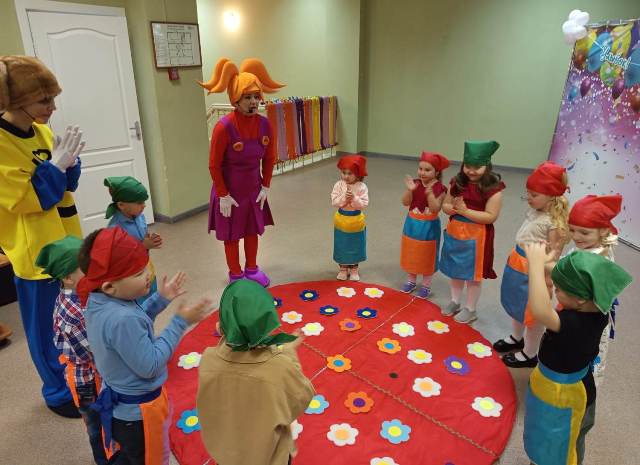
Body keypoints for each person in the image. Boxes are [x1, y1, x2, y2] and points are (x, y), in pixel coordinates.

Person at [79, 227, 211, 465]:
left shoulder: (100, 302)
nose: (148, 274)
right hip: (140, 416)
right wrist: (180, 322)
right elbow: (150, 365)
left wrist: (160, 299)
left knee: (132, 456)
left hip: (123, 410)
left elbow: (134, 327)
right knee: (152, 458)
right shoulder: (122, 318)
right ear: (109, 286)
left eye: (146, 267)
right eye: (139, 273)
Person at [0, 55, 85, 417]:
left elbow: (64, 187)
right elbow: (26, 199)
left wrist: (71, 165)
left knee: (72, 317)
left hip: (65, 242)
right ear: (16, 101)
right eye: (43, 101)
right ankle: (57, 392)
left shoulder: (42, 132)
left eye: (52, 98)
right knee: (45, 327)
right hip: (35, 254)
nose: (52, 107)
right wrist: (54, 167)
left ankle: (79, 378)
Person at [522, 244, 632, 465]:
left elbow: (540, 310)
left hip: (565, 394)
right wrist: (544, 262)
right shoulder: (599, 306)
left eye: (559, 290)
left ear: (580, 298)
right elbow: (566, 274)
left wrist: (534, 267)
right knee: (554, 436)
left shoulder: (573, 323)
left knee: (561, 440)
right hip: (574, 384)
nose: (555, 291)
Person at [197, 280, 315, 465]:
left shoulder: (208, 360)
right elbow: (301, 399)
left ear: (220, 326)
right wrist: (288, 352)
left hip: (226, 457)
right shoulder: (279, 368)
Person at [198, 57, 285, 287]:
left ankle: (252, 269)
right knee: (231, 234)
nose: (254, 102)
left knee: (251, 231)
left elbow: (269, 157)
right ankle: (235, 274)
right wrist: (223, 194)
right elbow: (214, 165)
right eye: (247, 97)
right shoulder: (223, 127)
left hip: (253, 189)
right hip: (230, 192)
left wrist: (266, 185)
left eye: (256, 96)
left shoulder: (265, 125)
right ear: (235, 99)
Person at [35, 236, 108, 464]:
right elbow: (92, 353)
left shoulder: (83, 294)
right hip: (86, 382)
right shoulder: (72, 313)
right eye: (87, 268)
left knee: (105, 419)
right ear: (68, 278)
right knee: (95, 424)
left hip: (94, 372)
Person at [494, 161, 569, 368]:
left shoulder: (554, 223)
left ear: (552, 196)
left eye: (534, 195)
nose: (529, 198)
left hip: (535, 271)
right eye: (528, 193)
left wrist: (544, 279)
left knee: (533, 314)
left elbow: (553, 256)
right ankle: (517, 337)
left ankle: (529, 353)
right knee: (517, 304)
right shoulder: (537, 210)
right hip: (518, 264)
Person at [439, 141, 505, 324]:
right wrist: (453, 209)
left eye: (477, 167)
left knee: (473, 276)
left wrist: (465, 211)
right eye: (468, 166)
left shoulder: (493, 189)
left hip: (477, 238)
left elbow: (490, 216)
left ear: (487, 166)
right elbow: (445, 205)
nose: (471, 171)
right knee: (455, 270)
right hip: (456, 234)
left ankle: (470, 309)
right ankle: (455, 301)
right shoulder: (457, 183)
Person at [565, 194, 622, 386]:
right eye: (572, 230)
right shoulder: (588, 247)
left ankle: (584, 391)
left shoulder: (597, 260)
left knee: (587, 356)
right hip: (577, 309)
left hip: (588, 316)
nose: (576, 237)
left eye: (584, 232)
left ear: (603, 231)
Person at [399, 151, 449, 298]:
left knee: (427, 255)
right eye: (420, 168)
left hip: (429, 226)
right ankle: (411, 280)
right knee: (412, 252)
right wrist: (410, 190)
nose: (422, 172)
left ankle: (426, 285)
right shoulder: (415, 183)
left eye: (427, 170)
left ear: (437, 172)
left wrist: (430, 195)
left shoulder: (440, 188)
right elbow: (405, 202)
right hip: (412, 223)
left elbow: (435, 208)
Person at [105, 176, 162, 303]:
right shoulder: (115, 229)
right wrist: (143, 246)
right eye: (139, 203)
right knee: (140, 306)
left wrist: (149, 239)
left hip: (146, 267)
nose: (144, 205)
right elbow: (118, 258)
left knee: (152, 297)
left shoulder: (139, 216)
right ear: (121, 205)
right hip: (132, 279)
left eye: (144, 202)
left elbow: (143, 235)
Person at [331, 154, 369, 281]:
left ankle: (354, 268)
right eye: (343, 172)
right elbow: (334, 201)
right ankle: (343, 268)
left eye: (350, 173)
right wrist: (344, 198)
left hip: (356, 221)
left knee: (355, 245)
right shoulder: (338, 185)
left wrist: (354, 198)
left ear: (358, 174)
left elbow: (364, 204)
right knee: (342, 244)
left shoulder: (362, 187)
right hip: (341, 219)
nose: (346, 176)